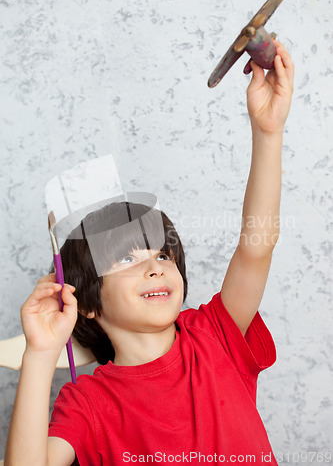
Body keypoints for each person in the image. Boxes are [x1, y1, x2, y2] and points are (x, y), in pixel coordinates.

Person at [5, 39, 294, 466]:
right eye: (125, 258)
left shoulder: (215, 336)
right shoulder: (87, 403)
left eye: (162, 255)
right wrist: (41, 353)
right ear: (84, 302)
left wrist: (268, 132)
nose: (155, 267)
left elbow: (257, 247)